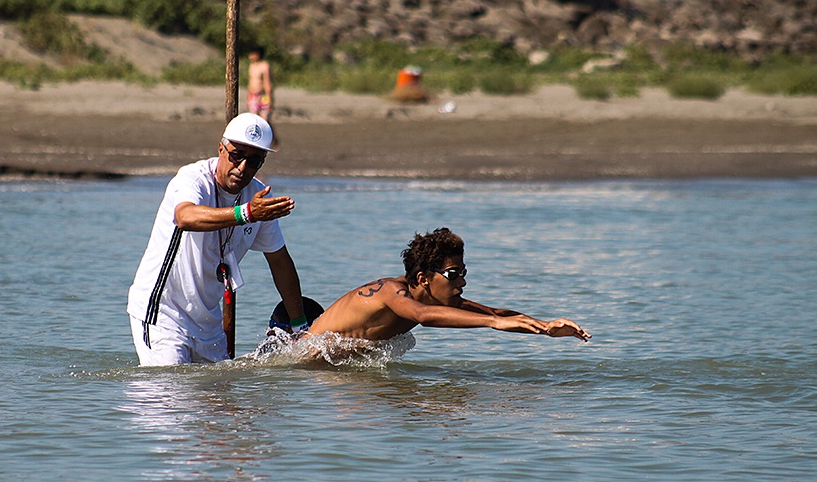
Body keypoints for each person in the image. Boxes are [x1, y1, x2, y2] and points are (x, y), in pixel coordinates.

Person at [127, 112, 307, 366]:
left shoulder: (257, 194)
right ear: (221, 149)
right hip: (163, 311)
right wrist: (247, 213)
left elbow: (280, 262)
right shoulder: (193, 179)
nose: (243, 167)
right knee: (170, 397)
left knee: (222, 403)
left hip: (208, 323)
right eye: (236, 155)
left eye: (255, 161)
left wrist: (300, 327)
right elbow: (185, 216)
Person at [307, 228, 590, 343]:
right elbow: (423, 317)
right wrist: (492, 323)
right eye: (453, 274)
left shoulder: (431, 299)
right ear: (423, 279)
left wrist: (546, 326)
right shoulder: (390, 292)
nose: (463, 281)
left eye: (463, 272)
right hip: (302, 364)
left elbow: (494, 313)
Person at [246, 47, 277, 148]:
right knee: (254, 119)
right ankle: (255, 141)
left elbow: (267, 82)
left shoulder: (264, 66)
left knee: (265, 119)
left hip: (263, 95)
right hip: (253, 96)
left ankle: (273, 140)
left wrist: (269, 97)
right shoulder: (251, 66)